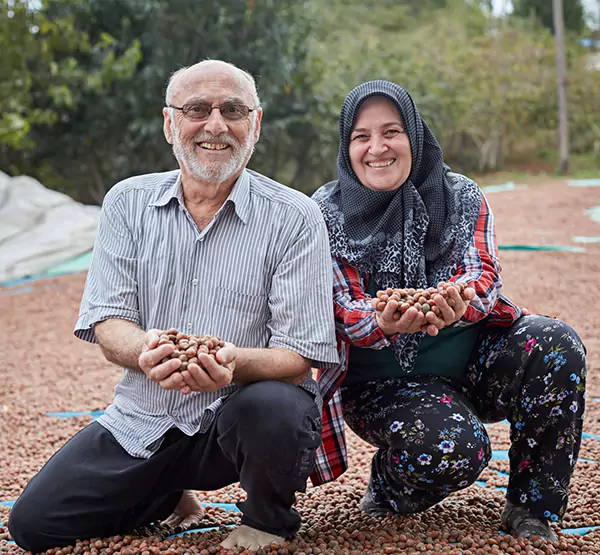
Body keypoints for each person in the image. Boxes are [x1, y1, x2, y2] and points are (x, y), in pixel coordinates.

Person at [8, 60, 339, 553]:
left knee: (276, 405)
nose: (215, 125)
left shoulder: (294, 216)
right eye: (197, 109)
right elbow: (108, 321)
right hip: (146, 416)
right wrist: (147, 350)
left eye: (232, 110)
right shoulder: (127, 202)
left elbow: (299, 352)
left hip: (236, 419)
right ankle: (164, 493)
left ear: (256, 124)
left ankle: (268, 519)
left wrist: (229, 363)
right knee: (34, 526)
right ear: (169, 124)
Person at [309, 80, 587, 542]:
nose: (377, 148)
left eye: (391, 131)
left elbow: (484, 274)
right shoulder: (326, 211)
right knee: (452, 451)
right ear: (347, 145)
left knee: (556, 343)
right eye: (362, 136)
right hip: (382, 383)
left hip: (471, 365)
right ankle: (391, 485)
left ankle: (533, 508)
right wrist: (380, 320)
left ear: (414, 136)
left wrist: (457, 301)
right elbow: (339, 306)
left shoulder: (460, 194)